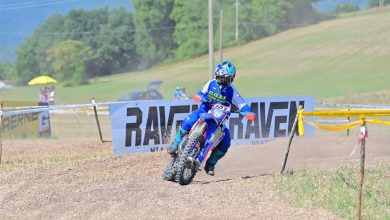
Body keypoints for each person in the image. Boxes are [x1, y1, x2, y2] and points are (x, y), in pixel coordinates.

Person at [167, 60, 256, 176]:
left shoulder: (232, 91)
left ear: (231, 79)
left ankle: (210, 164)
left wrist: (247, 112)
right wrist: (199, 97)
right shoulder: (210, 83)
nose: (223, 81)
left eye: (226, 79)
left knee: (226, 141)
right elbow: (200, 93)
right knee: (189, 119)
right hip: (203, 112)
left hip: (218, 121)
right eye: (221, 78)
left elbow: (242, 104)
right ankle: (176, 142)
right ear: (216, 75)